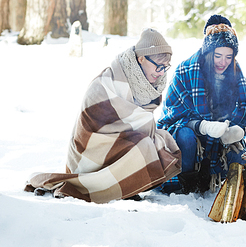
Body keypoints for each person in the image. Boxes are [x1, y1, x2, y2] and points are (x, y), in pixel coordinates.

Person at [25, 29, 182, 203]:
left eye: (165, 67)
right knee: (144, 146)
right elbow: (99, 119)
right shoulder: (110, 80)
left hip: (119, 139)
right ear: (141, 59)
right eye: (158, 66)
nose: (161, 72)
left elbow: (137, 121)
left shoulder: (147, 85)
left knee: (162, 141)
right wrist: (139, 126)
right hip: (93, 145)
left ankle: (125, 186)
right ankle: (103, 187)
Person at [157, 15, 246, 194]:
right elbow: (171, 117)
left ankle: (213, 177)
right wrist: (202, 126)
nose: (223, 62)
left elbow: (244, 113)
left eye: (228, 57)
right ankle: (187, 183)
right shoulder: (186, 70)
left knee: (241, 158)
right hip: (191, 136)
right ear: (208, 51)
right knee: (185, 136)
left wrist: (232, 131)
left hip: (220, 143)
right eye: (218, 56)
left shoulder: (237, 77)